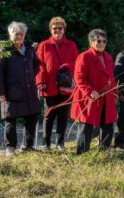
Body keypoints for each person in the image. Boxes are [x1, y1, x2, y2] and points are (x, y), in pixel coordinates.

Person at [0, 22, 41, 157]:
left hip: (29, 90)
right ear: (10, 34)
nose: (19, 36)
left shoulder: (29, 48)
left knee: (33, 116)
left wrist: (29, 77)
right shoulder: (4, 50)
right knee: (10, 120)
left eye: (21, 34)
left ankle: (27, 146)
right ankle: (10, 148)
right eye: (16, 33)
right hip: (11, 91)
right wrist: (0, 91)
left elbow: (36, 65)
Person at [70, 29, 117, 154]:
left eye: (104, 41)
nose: (101, 43)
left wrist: (114, 92)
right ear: (91, 42)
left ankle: (104, 153)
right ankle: (82, 154)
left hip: (107, 98)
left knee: (108, 126)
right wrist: (89, 91)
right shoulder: (84, 57)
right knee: (87, 127)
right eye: (98, 40)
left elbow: (111, 78)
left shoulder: (108, 57)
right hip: (89, 98)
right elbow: (78, 77)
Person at [36, 16, 78, 151]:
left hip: (65, 86)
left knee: (63, 115)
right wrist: (40, 82)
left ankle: (60, 143)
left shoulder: (71, 45)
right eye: (55, 28)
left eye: (60, 28)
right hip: (49, 85)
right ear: (50, 30)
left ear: (64, 30)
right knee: (49, 115)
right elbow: (39, 65)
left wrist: (67, 66)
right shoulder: (44, 45)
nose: (57, 31)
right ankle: (46, 143)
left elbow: (77, 62)